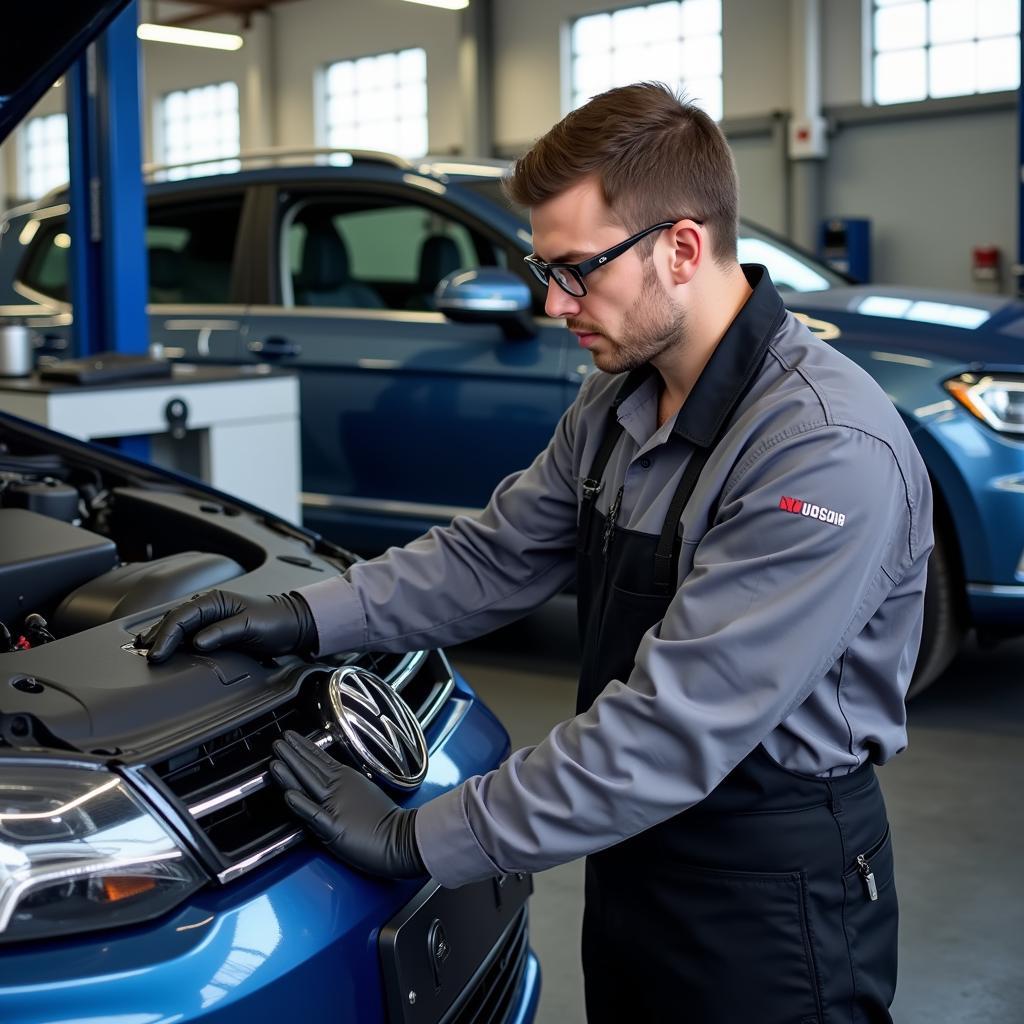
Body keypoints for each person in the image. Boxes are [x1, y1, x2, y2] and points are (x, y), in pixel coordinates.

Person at [139, 83, 932, 1024]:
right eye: (541, 266)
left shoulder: (822, 449)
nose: (552, 302)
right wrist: (308, 613)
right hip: (636, 852)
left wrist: (418, 836)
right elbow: (494, 556)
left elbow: (672, 729)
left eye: (576, 269)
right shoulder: (619, 401)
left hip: (774, 889)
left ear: (681, 249)